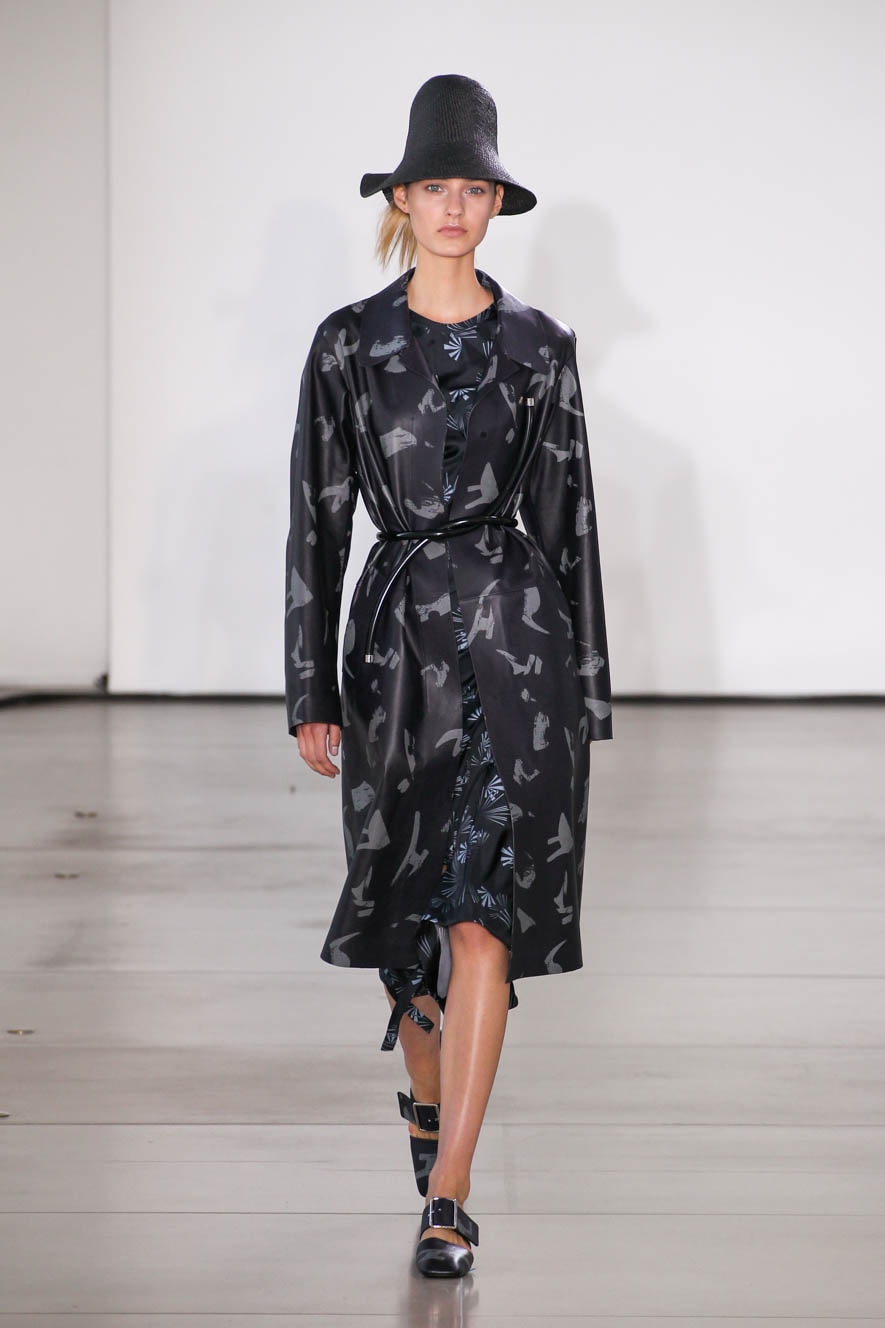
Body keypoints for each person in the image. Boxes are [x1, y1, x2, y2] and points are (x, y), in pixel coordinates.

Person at [284, 73, 612, 1278]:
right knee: (403, 924)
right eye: (435, 186)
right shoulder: (349, 345)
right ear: (403, 202)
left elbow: (571, 520)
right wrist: (310, 689)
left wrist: (586, 695)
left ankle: (451, 1192)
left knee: (483, 919)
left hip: (519, 660)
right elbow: (316, 521)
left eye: (473, 187)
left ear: (494, 203)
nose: (455, 206)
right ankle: (424, 1093)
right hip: (393, 658)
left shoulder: (540, 346)